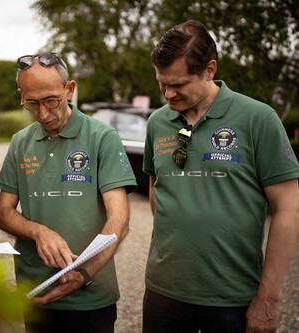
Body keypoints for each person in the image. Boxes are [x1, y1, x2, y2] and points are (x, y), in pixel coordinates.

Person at [142, 20, 299, 333]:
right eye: (163, 84)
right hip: (163, 294)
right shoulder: (157, 122)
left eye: (179, 84)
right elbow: (157, 187)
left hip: (233, 298)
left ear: (209, 69)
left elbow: (288, 209)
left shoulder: (258, 119)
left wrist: (269, 298)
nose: (168, 93)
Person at [0, 52, 137, 333]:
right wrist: (38, 232)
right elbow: (3, 213)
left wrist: (85, 273)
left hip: (90, 298)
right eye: (32, 103)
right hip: (34, 293)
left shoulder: (102, 137)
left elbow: (119, 220)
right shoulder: (19, 142)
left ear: (69, 89)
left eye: (51, 100)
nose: (43, 113)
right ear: (21, 96)